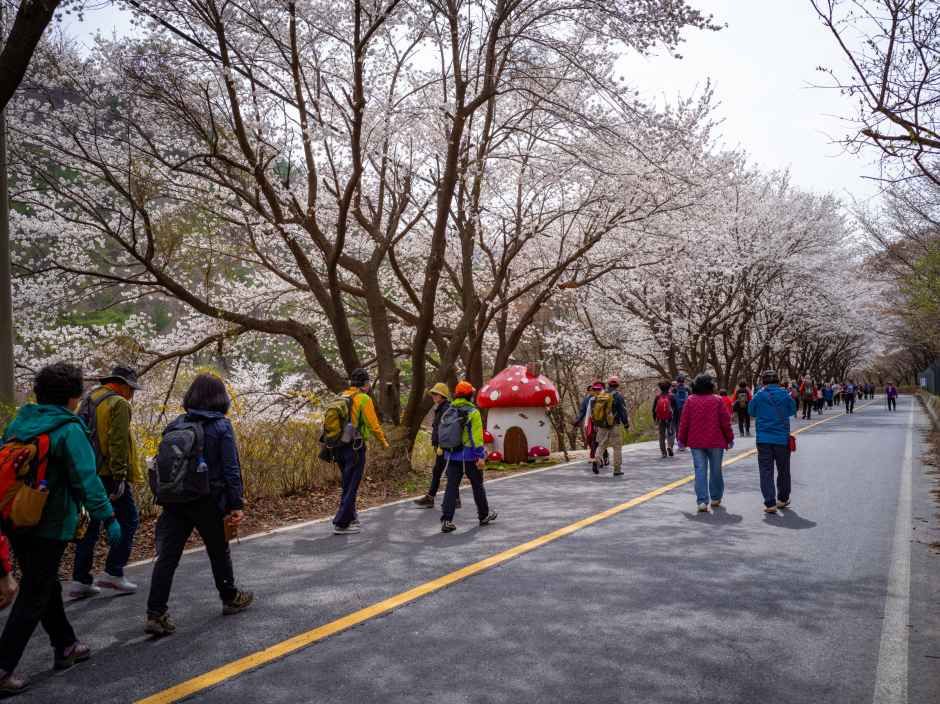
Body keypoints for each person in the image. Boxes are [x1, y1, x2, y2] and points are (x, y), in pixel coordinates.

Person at [0, 363, 119, 694]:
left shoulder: (20, 423)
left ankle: (66, 645)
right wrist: (108, 517)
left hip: (14, 517)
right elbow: (87, 478)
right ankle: (3, 666)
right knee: (35, 592)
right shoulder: (68, 429)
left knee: (44, 581)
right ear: (73, 396)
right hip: (48, 523)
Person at [144, 373, 252, 636]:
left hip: (175, 500)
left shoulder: (175, 424)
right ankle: (230, 598)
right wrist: (236, 503)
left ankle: (155, 613)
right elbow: (231, 469)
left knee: (167, 558)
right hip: (208, 500)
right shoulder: (222, 426)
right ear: (220, 398)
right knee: (218, 550)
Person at [70, 365, 143, 598]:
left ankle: (81, 580)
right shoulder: (119, 403)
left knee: (89, 527)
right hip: (109, 474)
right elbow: (118, 442)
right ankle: (113, 572)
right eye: (131, 388)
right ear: (121, 384)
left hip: (88, 473)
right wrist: (120, 476)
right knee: (129, 520)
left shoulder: (90, 398)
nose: (132, 393)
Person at [331, 369, 389, 535]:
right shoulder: (364, 398)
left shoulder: (342, 395)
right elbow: (373, 425)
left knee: (347, 483)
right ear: (365, 384)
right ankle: (341, 523)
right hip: (355, 447)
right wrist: (383, 442)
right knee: (352, 486)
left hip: (338, 446)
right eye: (368, 382)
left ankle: (352, 517)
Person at [440, 382, 497, 533]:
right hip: (469, 456)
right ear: (470, 395)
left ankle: (446, 520)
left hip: (451, 455)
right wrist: (480, 456)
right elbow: (477, 438)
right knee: (477, 485)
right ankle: (483, 516)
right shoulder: (473, 412)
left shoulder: (449, 409)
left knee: (451, 487)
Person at [677, 374, 734, 512]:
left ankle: (702, 501)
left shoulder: (690, 401)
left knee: (700, 470)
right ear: (710, 386)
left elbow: (684, 422)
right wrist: (729, 438)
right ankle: (715, 497)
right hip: (716, 441)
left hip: (696, 442)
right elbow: (725, 422)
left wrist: (681, 440)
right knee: (716, 470)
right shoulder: (718, 400)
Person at [748, 369, 797, 514]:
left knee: (766, 470)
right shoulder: (785, 395)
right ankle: (782, 498)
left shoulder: (759, 395)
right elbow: (791, 411)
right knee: (783, 469)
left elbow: (751, 412)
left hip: (763, 439)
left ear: (763, 382)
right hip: (781, 439)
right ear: (777, 381)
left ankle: (770, 503)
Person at [414, 383, 460, 509]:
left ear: (442, 395)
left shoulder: (446, 409)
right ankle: (436, 498)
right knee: (440, 471)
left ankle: (451, 499)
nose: (433, 396)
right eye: (433, 394)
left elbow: (445, 430)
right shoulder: (441, 408)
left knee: (447, 472)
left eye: (435, 394)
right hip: (441, 447)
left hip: (444, 447)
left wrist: (441, 444)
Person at [593, 376, 629, 476]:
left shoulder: (601, 394)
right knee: (617, 447)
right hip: (614, 425)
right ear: (618, 385)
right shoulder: (618, 396)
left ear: (608, 384)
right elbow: (622, 411)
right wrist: (626, 424)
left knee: (601, 445)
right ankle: (617, 469)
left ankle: (597, 459)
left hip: (602, 425)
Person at [573, 382, 608, 466]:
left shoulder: (603, 398)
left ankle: (600, 456)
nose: (591, 391)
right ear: (588, 391)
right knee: (591, 439)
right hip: (590, 422)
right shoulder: (587, 400)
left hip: (601, 422)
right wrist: (578, 421)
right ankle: (597, 457)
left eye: (593, 389)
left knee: (599, 440)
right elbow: (583, 412)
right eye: (590, 390)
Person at [652, 381, 677, 458]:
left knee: (661, 435)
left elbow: (653, 409)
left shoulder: (658, 397)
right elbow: (676, 408)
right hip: (670, 418)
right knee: (671, 433)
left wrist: (655, 419)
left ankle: (663, 452)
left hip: (660, 418)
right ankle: (670, 446)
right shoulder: (672, 396)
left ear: (660, 388)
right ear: (669, 387)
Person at [672, 374, 690, 450]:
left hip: (676, 410)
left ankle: (679, 442)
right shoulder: (687, 389)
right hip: (686, 409)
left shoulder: (674, 389)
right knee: (685, 425)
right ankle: (684, 442)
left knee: (677, 426)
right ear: (684, 381)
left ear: (677, 381)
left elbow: (671, 399)